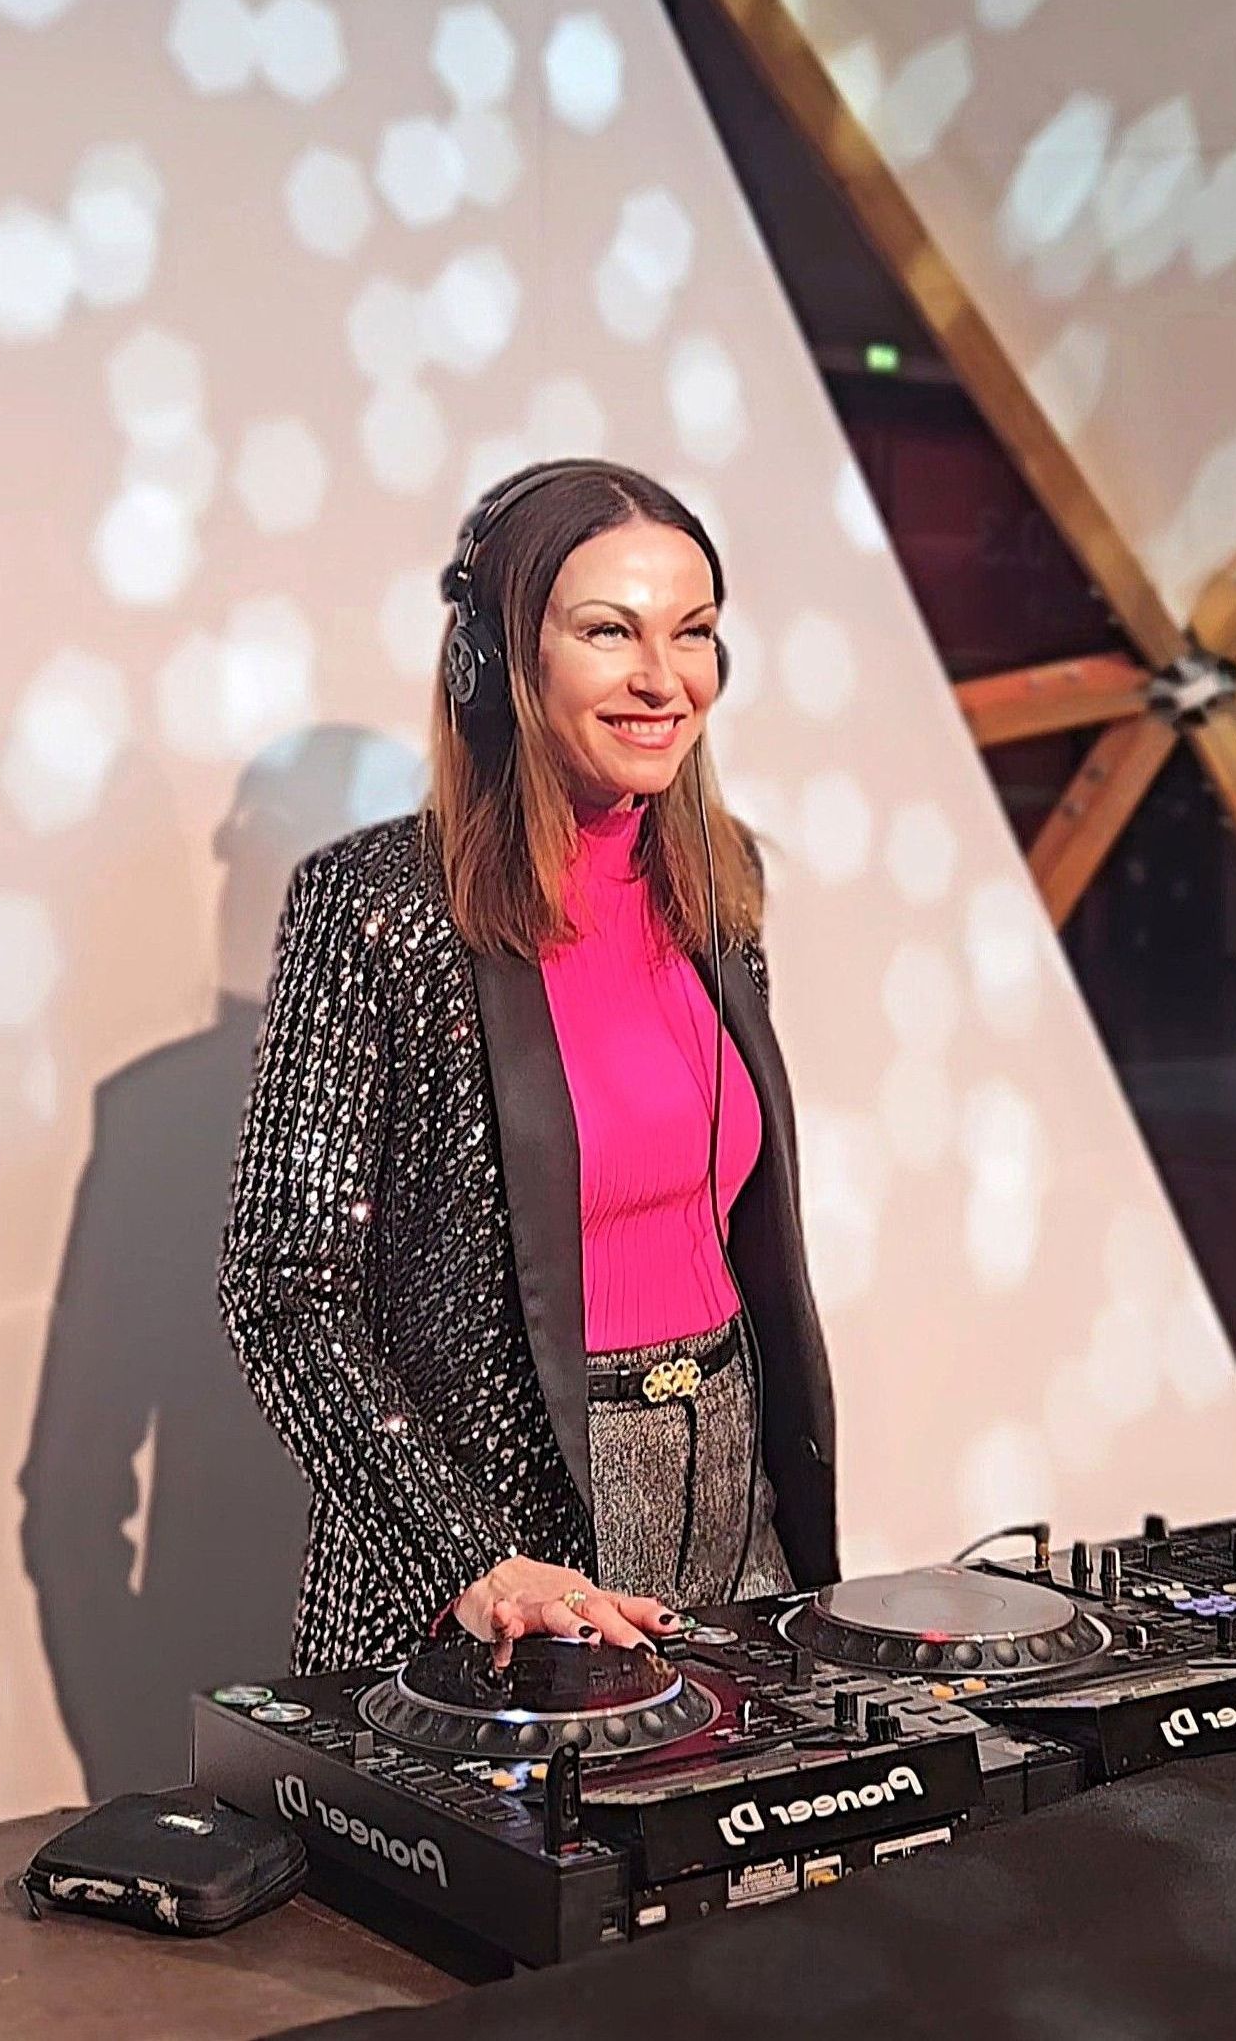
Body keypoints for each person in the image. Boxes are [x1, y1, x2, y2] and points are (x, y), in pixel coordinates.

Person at [219, 459, 837, 1674]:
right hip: (502, 1545)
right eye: (610, 632)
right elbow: (282, 1295)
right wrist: (471, 1561)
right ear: (498, 657)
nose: (663, 679)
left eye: (693, 632)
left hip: (733, 1499)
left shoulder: (720, 885)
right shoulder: (378, 907)